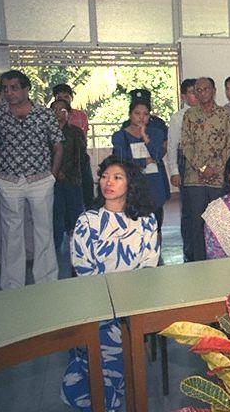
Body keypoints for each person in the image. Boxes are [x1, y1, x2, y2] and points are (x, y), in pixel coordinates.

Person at [61, 156, 160, 411]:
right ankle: (105, 399)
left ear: (130, 183)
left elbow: (149, 265)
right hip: (98, 304)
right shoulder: (88, 220)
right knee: (109, 337)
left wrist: (127, 300)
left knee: (120, 339)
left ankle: (111, 398)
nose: (108, 182)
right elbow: (83, 267)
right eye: (105, 176)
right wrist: (111, 302)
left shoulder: (146, 220)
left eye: (117, 177)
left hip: (133, 302)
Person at [0, 70, 63, 289]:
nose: (9, 93)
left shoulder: (44, 114)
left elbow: (58, 146)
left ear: (26, 89)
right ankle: (12, 286)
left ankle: (47, 282)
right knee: (11, 234)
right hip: (8, 181)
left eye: (14, 88)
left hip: (41, 180)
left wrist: (52, 176)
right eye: (5, 89)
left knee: (44, 231)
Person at [181, 77, 230, 261]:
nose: (202, 92)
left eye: (206, 89)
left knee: (219, 221)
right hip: (194, 178)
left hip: (218, 178)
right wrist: (202, 167)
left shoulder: (225, 115)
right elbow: (186, 144)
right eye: (199, 90)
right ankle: (199, 262)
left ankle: (220, 261)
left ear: (214, 91)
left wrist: (215, 168)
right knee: (197, 223)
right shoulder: (189, 115)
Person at [112, 99, 168, 229]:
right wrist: (143, 161)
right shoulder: (120, 136)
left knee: (155, 225)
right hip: (132, 184)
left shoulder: (156, 133)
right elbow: (122, 160)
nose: (141, 117)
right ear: (130, 114)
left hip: (154, 183)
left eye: (145, 114)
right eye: (137, 113)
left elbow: (157, 155)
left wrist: (145, 137)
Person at [167, 78, 198, 260]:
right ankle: (189, 250)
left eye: (199, 91)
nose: (197, 95)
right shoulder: (178, 117)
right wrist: (174, 171)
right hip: (185, 162)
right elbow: (172, 146)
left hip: (206, 164)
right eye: (192, 92)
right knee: (188, 210)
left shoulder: (208, 114)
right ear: (184, 96)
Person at [50, 99, 87, 251]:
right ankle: (56, 247)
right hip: (52, 179)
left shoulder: (76, 132)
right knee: (56, 213)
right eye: (54, 110)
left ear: (69, 113)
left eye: (62, 110)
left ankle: (79, 246)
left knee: (75, 212)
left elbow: (80, 155)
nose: (58, 113)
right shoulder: (46, 132)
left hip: (72, 179)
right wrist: (55, 172)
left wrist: (65, 172)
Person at [52, 84, 94, 209]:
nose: (63, 99)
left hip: (78, 159)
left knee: (85, 189)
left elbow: (83, 140)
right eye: (59, 97)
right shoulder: (50, 118)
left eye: (66, 96)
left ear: (71, 98)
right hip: (56, 163)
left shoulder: (81, 115)